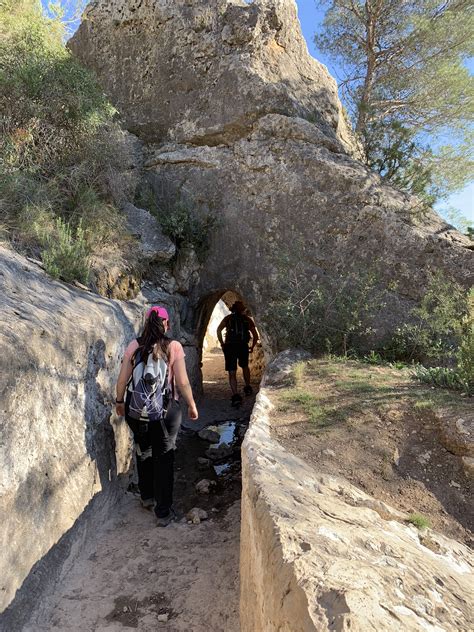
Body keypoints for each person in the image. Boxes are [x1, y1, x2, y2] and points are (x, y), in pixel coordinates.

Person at [115, 306, 198, 526]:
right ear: (166, 324)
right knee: (164, 457)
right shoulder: (173, 346)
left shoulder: (134, 346)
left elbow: (122, 380)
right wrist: (191, 404)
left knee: (143, 450)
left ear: (146, 323)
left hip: (136, 411)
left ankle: (147, 497)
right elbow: (182, 381)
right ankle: (163, 512)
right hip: (164, 412)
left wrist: (119, 401)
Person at [216, 301, 259, 406]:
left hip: (230, 346)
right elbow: (255, 335)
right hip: (242, 346)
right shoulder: (247, 320)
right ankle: (247, 386)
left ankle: (235, 394)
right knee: (245, 366)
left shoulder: (228, 319)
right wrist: (252, 346)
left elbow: (218, 330)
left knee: (232, 371)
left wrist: (222, 343)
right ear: (242, 310)